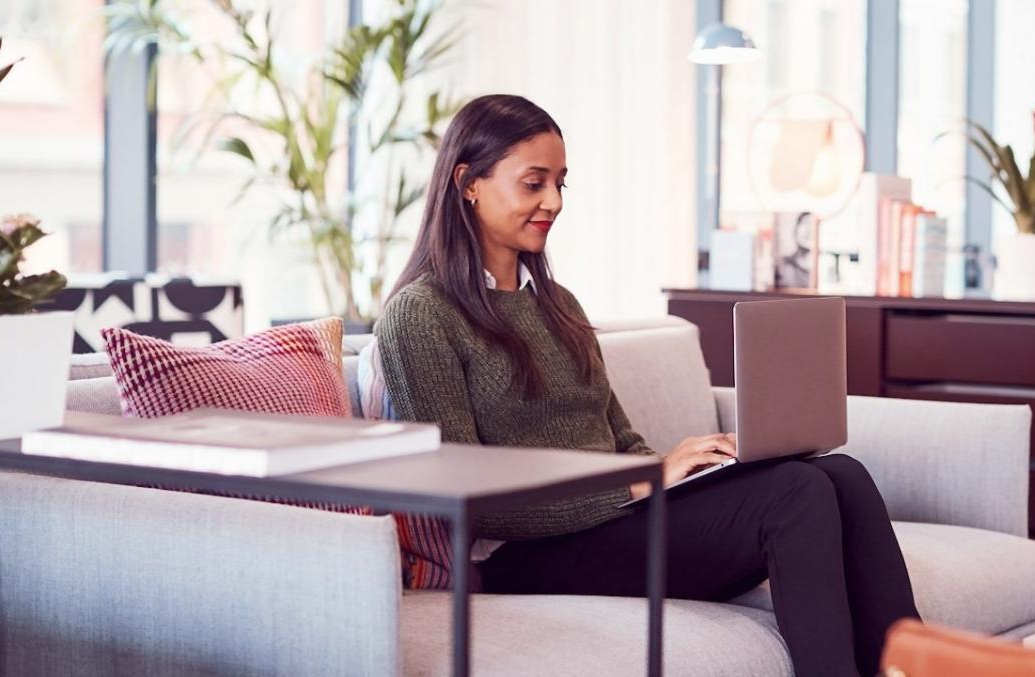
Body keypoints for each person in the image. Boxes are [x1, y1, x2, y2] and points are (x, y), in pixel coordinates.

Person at [373, 94, 919, 677]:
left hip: (612, 525)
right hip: (522, 556)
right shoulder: (421, 315)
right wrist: (638, 485)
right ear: (468, 183)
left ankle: (917, 669)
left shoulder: (558, 306)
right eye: (534, 183)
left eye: (560, 183)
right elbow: (469, 502)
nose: (553, 202)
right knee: (796, 495)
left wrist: (696, 468)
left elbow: (621, 442)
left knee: (840, 474)